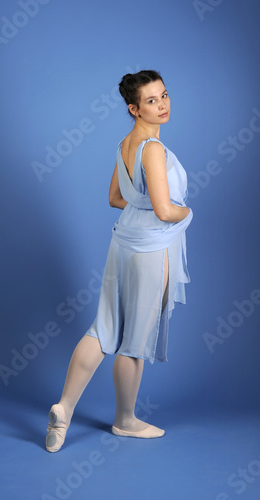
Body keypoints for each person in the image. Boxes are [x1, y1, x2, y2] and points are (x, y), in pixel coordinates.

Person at [45, 70, 193, 453]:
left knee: (102, 328)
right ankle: (125, 420)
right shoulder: (154, 149)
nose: (162, 105)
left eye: (164, 96)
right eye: (151, 101)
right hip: (150, 249)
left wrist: (147, 208)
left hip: (123, 242)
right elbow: (164, 210)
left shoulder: (125, 144)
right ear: (134, 108)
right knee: (133, 340)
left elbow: (115, 198)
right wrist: (186, 211)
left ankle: (64, 408)